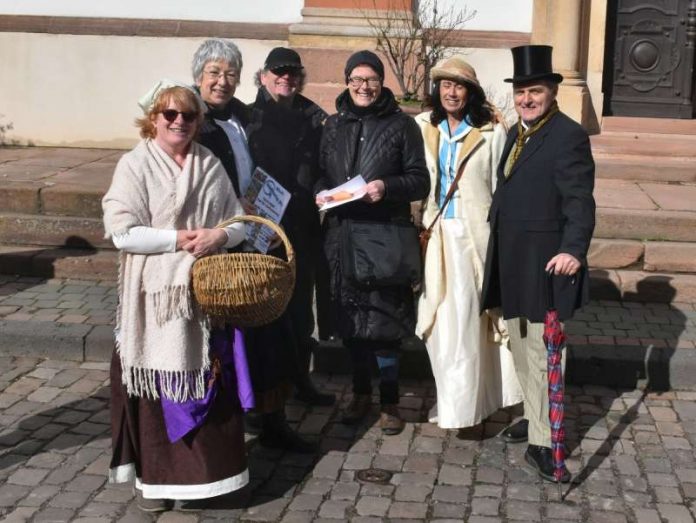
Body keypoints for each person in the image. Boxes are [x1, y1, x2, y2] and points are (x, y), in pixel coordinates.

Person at [103, 83, 250, 512]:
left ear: (198, 121)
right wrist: (174, 240)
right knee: (156, 385)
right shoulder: (134, 165)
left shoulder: (210, 164)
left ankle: (210, 480)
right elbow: (121, 231)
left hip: (204, 294)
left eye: (188, 116)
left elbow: (241, 220)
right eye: (169, 115)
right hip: (154, 299)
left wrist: (219, 234)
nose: (179, 122)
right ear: (153, 118)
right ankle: (156, 483)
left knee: (207, 381)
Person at [481, 45, 596, 482]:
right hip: (512, 261)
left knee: (545, 352)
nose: (527, 99)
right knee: (521, 348)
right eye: (522, 91)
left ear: (552, 93)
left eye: (536, 91)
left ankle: (546, 445)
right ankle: (535, 418)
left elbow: (579, 200)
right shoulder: (516, 132)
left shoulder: (567, 135)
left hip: (547, 264)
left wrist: (574, 250)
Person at [315, 50, 430, 435]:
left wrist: (387, 187)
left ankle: (391, 402)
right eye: (356, 80)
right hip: (342, 235)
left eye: (372, 80)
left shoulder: (402, 126)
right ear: (347, 82)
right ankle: (360, 393)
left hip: (383, 235)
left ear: (383, 83)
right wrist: (322, 194)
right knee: (352, 324)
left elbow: (420, 180)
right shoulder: (332, 125)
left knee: (385, 323)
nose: (364, 87)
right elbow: (319, 174)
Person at [415, 56, 523, 430]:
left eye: (458, 85)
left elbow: (503, 190)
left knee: (469, 328)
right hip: (436, 239)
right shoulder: (423, 127)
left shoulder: (492, 133)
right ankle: (453, 403)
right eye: (445, 84)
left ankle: (472, 410)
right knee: (440, 329)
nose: (451, 92)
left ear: (471, 92)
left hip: (474, 241)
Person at [246, 47, 335, 407]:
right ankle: (260, 392)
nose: (287, 77)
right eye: (279, 71)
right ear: (264, 75)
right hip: (261, 229)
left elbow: (321, 169)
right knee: (263, 312)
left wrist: (323, 191)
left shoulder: (313, 116)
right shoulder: (248, 118)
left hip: (301, 227)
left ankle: (300, 380)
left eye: (293, 72)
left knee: (300, 312)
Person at [192, 38, 252, 198]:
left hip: (249, 217)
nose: (223, 82)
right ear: (198, 77)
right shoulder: (187, 121)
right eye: (214, 73)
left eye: (231, 74)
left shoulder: (246, 117)